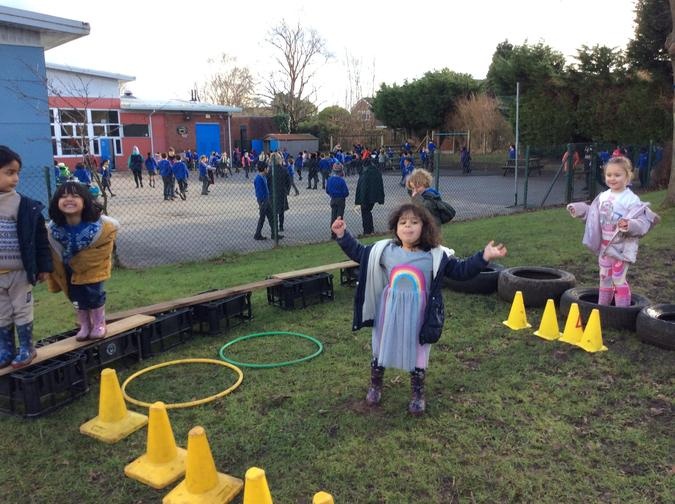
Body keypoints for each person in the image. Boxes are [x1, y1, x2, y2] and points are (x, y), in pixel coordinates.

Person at [331, 204, 506, 415]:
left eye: (414, 222)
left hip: (419, 314)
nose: (408, 226)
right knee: (381, 344)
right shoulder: (385, 251)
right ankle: (376, 385)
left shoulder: (435, 256)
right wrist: (342, 235)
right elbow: (359, 253)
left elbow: (461, 271)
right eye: (403, 222)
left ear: (424, 227)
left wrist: (484, 257)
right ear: (396, 228)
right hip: (390, 310)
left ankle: (417, 393)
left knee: (418, 349)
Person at [567, 156, 659, 307]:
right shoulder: (603, 196)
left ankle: (622, 311)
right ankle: (602, 308)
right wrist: (580, 209)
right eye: (609, 175)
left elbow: (642, 221)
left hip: (621, 248)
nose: (612, 178)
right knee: (604, 277)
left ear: (628, 176)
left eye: (617, 175)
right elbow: (594, 215)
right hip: (605, 248)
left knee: (618, 279)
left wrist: (629, 225)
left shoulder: (631, 199)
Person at [0, 146, 53, 369]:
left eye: (17, 173)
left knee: (21, 309)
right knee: (2, 313)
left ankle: (26, 347)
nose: (15, 178)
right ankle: (6, 349)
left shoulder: (25, 206)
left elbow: (40, 239)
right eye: (9, 172)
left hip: (20, 273)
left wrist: (44, 266)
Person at [46, 181, 119, 341]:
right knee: (76, 297)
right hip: (69, 268)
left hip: (93, 267)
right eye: (63, 196)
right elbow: (54, 251)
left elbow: (106, 242)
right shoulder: (54, 229)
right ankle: (85, 325)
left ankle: (99, 323)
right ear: (56, 202)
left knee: (93, 294)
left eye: (75, 196)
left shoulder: (98, 226)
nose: (69, 199)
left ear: (85, 201)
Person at [354, 156, 385, 236]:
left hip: (366, 197)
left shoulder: (365, 174)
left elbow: (363, 187)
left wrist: (361, 199)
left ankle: (367, 231)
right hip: (373, 196)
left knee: (365, 213)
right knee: (368, 212)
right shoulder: (376, 172)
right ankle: (370, 230)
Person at [253, 163, 281, 241]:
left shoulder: (263, 177)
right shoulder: (259, 178)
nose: (268, 169)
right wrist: (261, 202)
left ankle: (274, 234)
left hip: (266, 200)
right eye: (267, 168)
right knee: (262, 218)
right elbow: (259, 192)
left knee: (271, 217)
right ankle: (257, 234)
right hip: (263, 201)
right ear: (264, 169)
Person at [326, 163, 349, 239]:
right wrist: (342, 195)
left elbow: (327, 190)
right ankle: (339, 233)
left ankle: (333, 233)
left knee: (333, 216)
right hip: (341, 200)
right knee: (339, 217)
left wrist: (332, 194)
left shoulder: (330, 179)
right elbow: (346, 192)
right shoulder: (341, 180)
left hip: (333, 199)